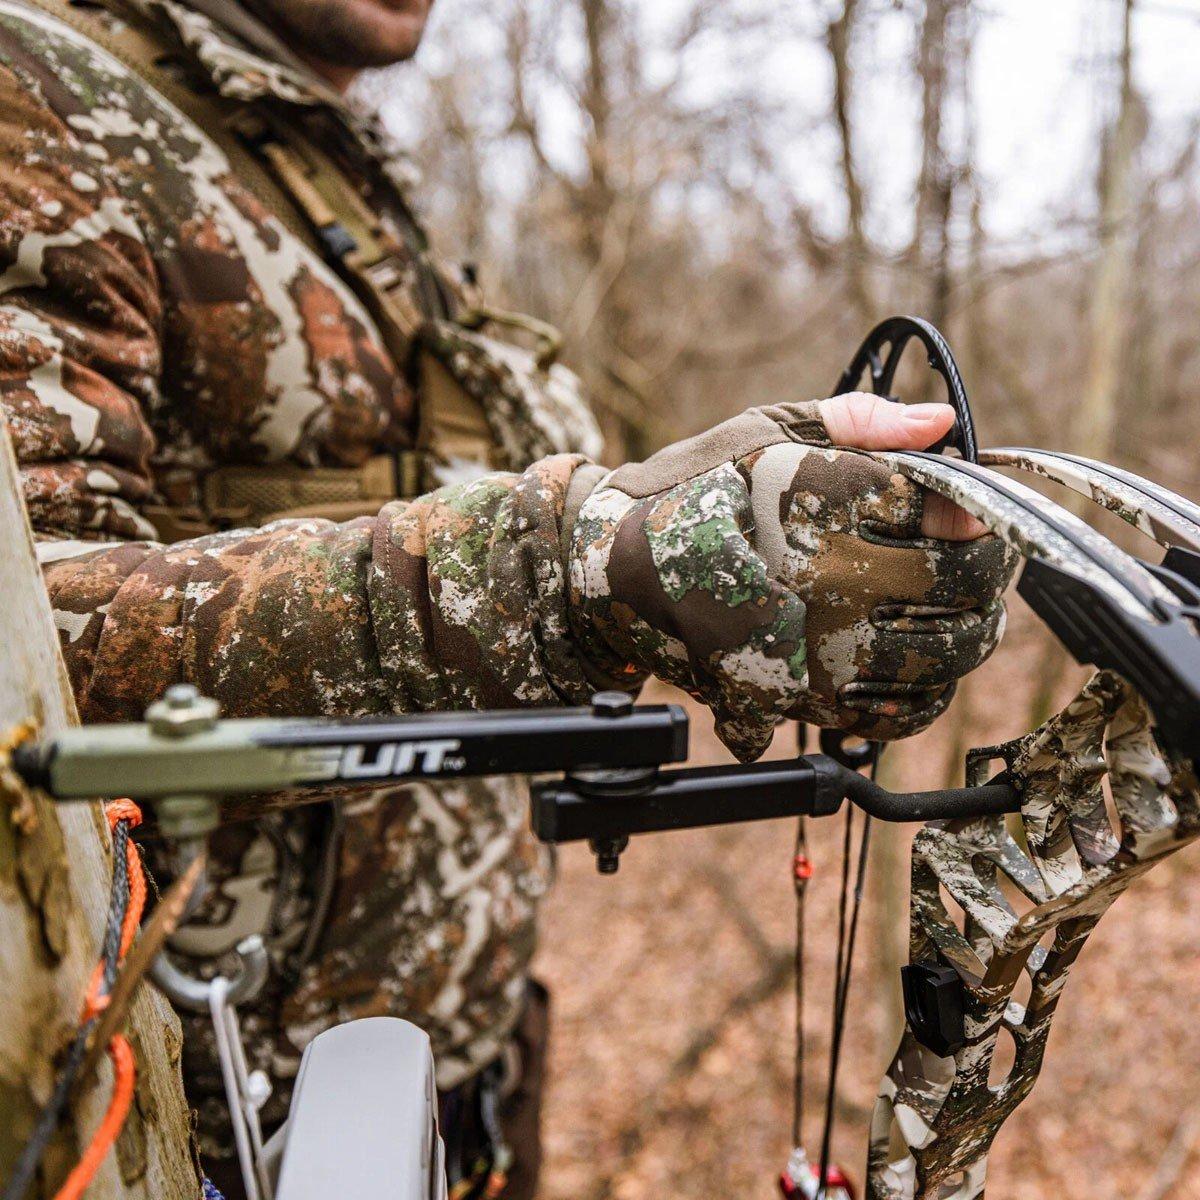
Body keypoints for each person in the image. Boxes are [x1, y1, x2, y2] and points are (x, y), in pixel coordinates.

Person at [0, 0, 1013, 1191]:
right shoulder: (39, 97)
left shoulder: (330, 166)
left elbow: (449, 505)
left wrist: (719, 526)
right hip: (228, 1122)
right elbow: (33, 635)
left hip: (466, 1057)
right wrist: (578, 569)